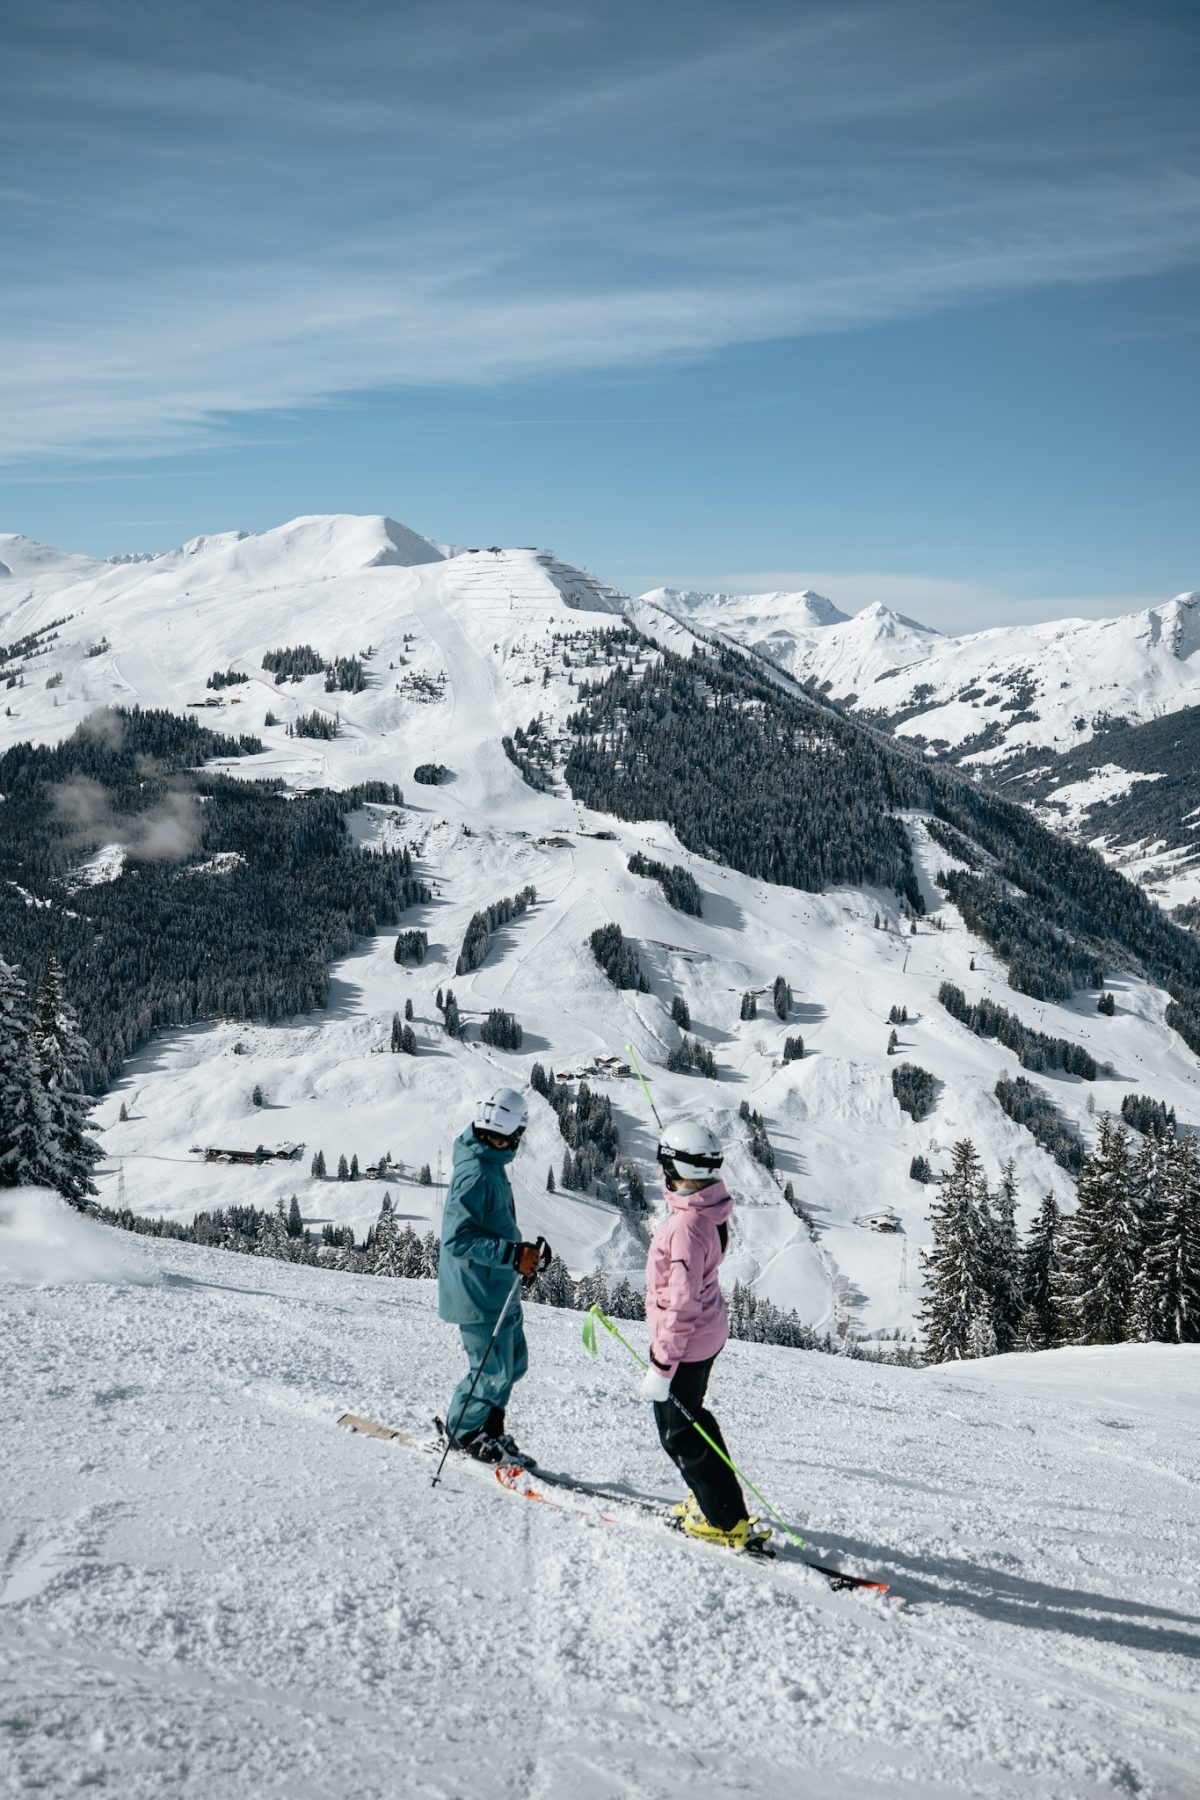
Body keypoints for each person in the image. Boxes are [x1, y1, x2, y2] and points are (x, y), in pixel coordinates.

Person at [640, 1117, 771, 1551]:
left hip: (686, 1342)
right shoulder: (709, 1209)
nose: (661, 1174)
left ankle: (724, 1520)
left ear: (679, 1172)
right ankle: (711, 1500)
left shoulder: (686, 1228)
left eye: (666, 1166)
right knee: (693, 1417)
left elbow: (680, 1303)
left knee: (679, 1432)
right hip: (706, 1333)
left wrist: (662, 1364)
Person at [438, 1086, 550, 1468]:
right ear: (512, 1132)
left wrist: (520, 1259)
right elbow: (458, 1238)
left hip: (498, 1286)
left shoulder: (490, 1163)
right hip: (477, 1293)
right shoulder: (475, 1173)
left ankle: (490, 1427)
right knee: (491, 1369)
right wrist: (511, 1254)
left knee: (513, 1364)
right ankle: (463, 1432)